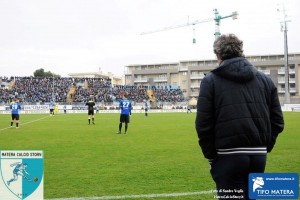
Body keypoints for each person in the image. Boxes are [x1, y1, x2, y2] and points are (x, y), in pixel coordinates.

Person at [195, 34, 284, 200]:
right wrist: (264, 147)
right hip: (258, 157)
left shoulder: (210, 81)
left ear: (218, 55)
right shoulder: (266, 81)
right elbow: (278, 122)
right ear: (241, 51)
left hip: (227, 157)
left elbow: (203, 125)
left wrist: (211, 156)